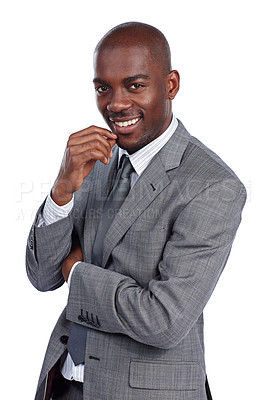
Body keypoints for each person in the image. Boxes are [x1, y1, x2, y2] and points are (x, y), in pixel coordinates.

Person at [26, 21, 246, 400]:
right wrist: (62, 190)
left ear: (171, 85)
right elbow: (42, 275)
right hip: (64, 384)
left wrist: (77, 273)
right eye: (103, 88)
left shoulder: (213, 186)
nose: (116, 104)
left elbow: (163, 320)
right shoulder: (98, 159)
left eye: (135, 85)